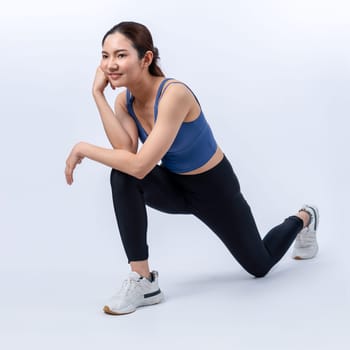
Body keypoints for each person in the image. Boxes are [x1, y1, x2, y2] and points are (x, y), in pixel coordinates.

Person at [65, 21, 320, 315]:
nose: (110, 64)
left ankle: (303, 217)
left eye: (121, 55)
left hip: (215, 190)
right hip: (174, 187)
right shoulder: (125, 101)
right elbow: (125, 153)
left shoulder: (174, 95)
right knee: (121, 174)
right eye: (105, 56)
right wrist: (98, 96)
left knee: (259, 265)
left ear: (146, 59)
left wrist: (83, 148)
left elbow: (141, 164)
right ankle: (143, 281)